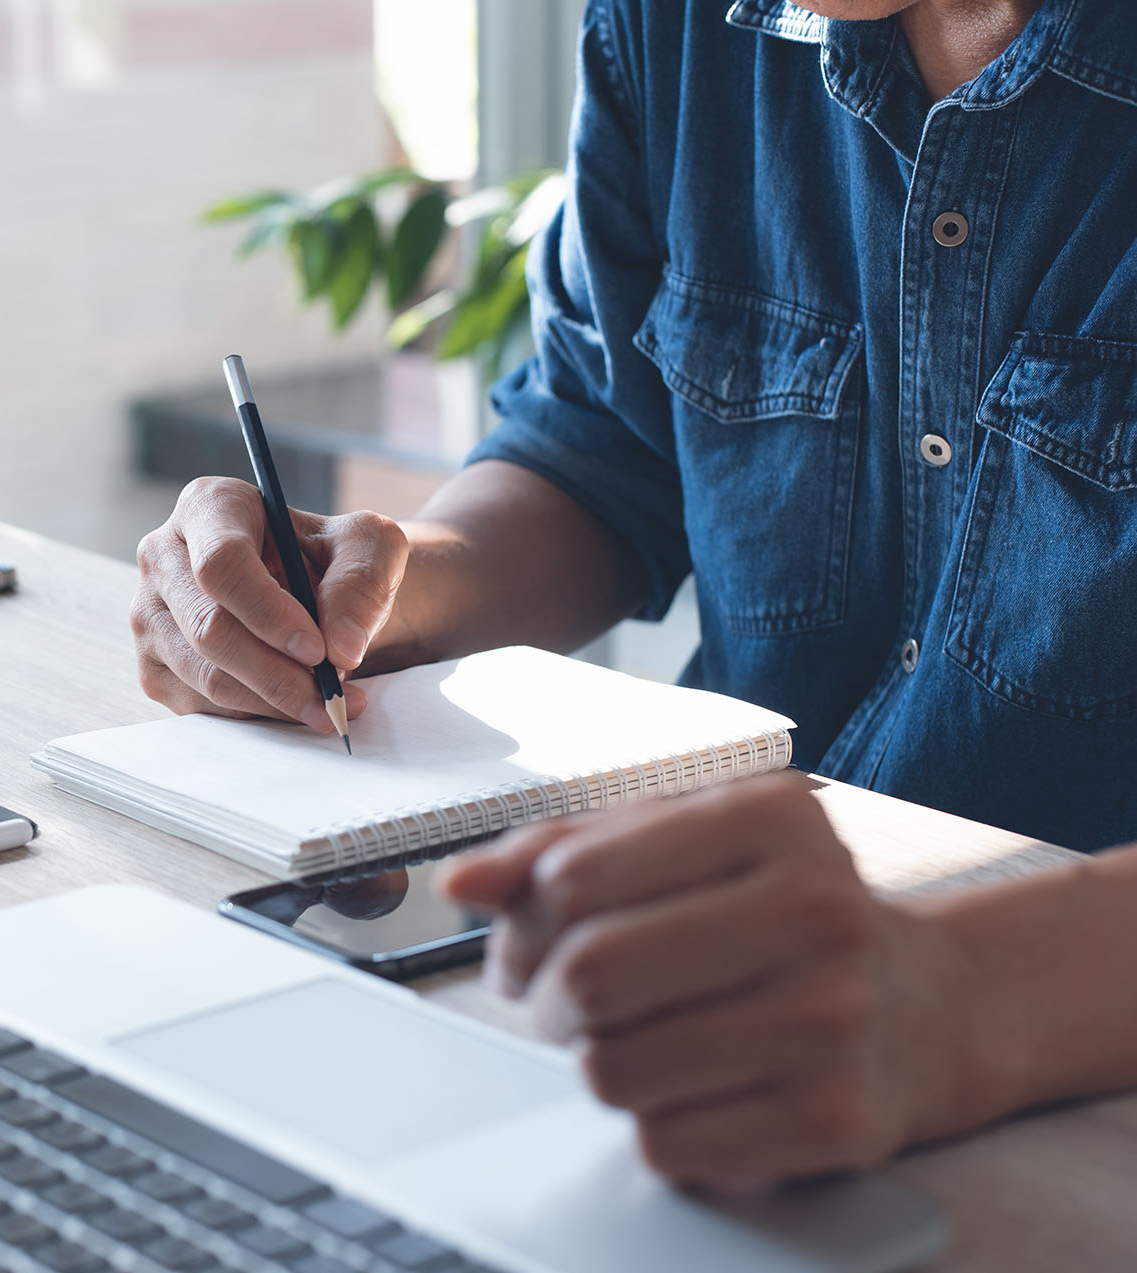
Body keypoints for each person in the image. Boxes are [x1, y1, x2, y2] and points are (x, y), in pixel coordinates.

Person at [130, 0, 1137, 1190]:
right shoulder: (672, 28)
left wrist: (958, 997)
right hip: (708, 1008)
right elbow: (602, 450)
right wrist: (369, 598)